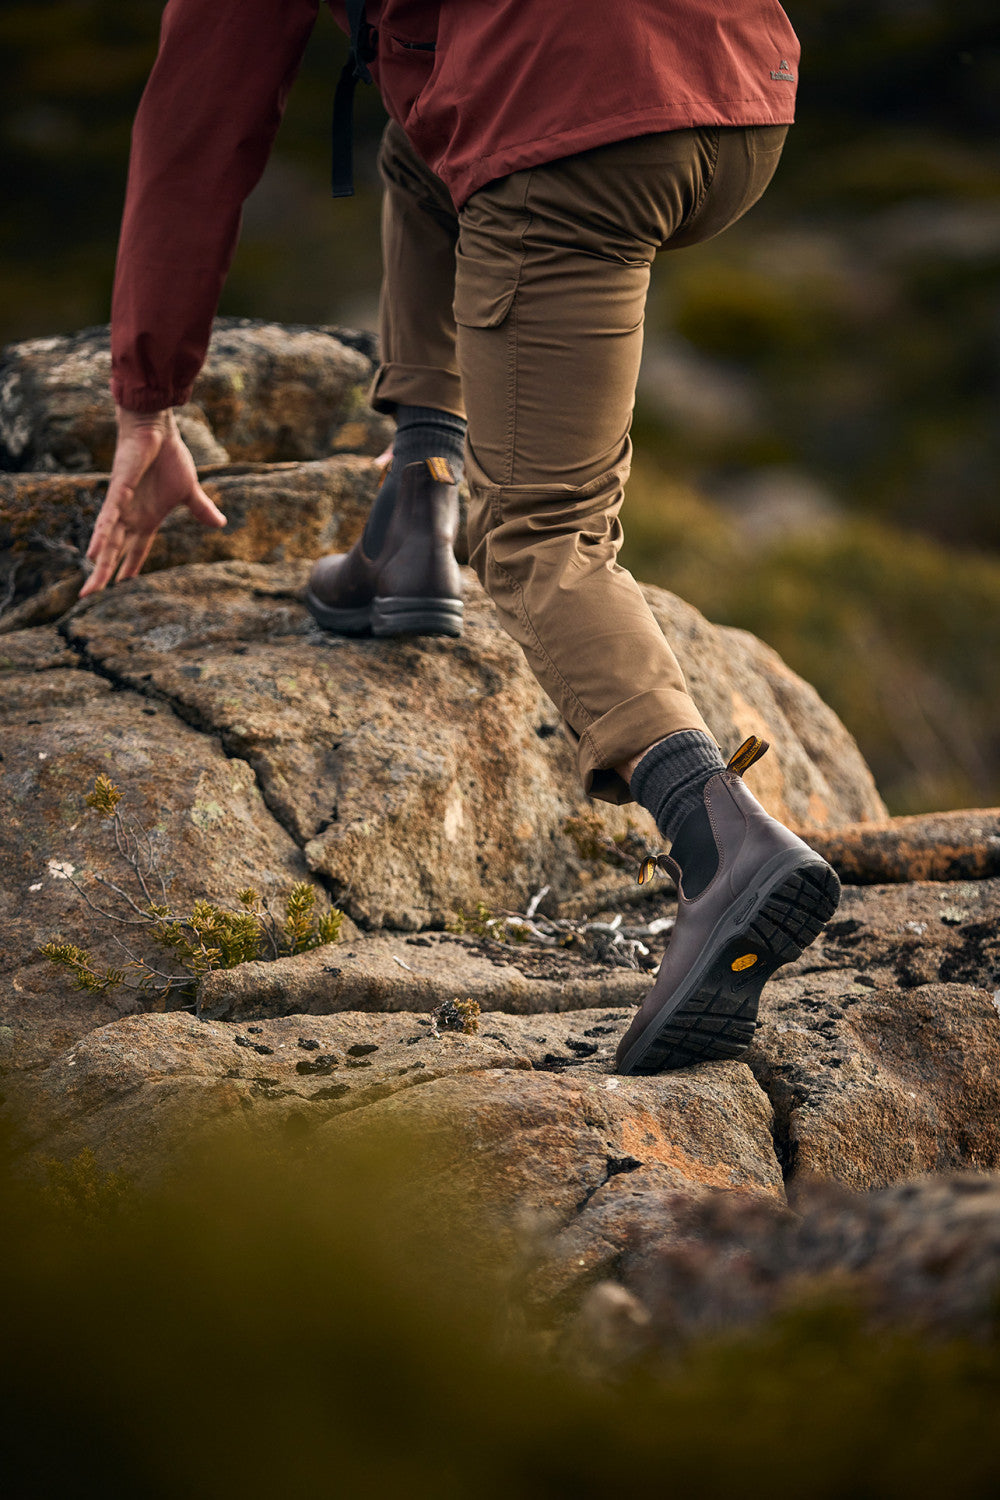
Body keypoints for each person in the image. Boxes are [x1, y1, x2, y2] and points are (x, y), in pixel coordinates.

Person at [82, 0, 840, 1075]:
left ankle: (721, 840)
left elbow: (201, 121)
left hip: (582, 130)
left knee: (540, 539)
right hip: (736, 90)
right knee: (424, 143)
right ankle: (414, 509)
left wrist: (146, 402)